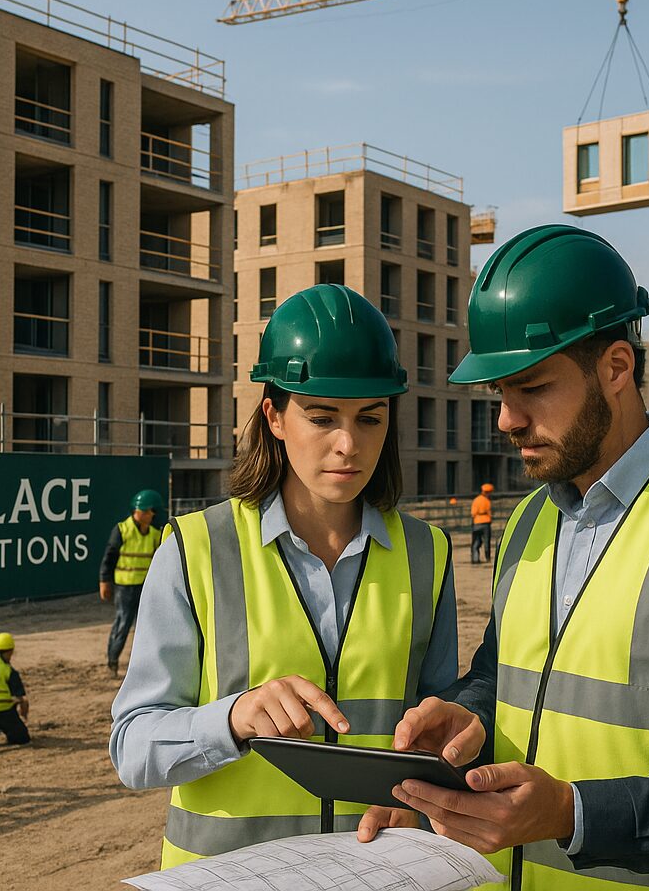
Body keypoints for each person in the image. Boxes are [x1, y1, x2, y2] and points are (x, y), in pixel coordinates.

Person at [364, 225, 649, 891]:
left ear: (617, 368)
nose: (507, 420)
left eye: (531, 388)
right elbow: (511, 680)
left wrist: (575, 812)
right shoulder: (530, 521)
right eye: (500, 393)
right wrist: (468, 714)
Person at [109, 284, 458, 868]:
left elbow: (444, 731)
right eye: (321, 417)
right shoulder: (196, 549)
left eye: (370, 418)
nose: (348, 444)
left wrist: (431, 791)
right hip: (227, 879)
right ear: (273, 415)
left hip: (376, 877)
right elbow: (133, 748)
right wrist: (232, 718)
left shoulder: (428, 554)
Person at [99, 489, 165, 675]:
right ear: (142, 511)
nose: (152, 515)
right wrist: (104, 581)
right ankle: (112, 661)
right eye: (150, 511)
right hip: (125, 587)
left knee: (147, 627)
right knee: (122, 624)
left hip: (145, 588)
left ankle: (145, 668)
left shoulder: (153, 534)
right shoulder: (122, 530)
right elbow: (109, 557)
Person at [470, 483, 494, 564]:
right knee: (487, 541)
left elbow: (473, 513)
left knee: (476, 542)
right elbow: (489, 513)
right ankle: (487, 558)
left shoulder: (476, 500)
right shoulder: (487, 501)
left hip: (477, 523)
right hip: (486, 523)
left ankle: (475, 559)